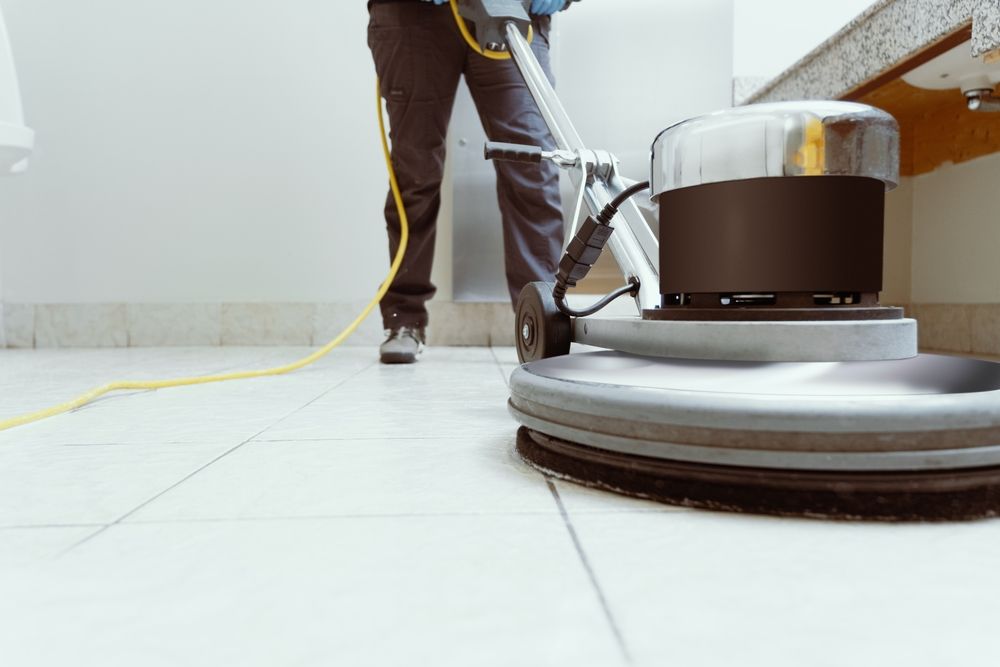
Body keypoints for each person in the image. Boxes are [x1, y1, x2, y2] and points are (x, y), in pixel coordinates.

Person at [368, 0, 568, 364]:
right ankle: (403, 318)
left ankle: (543, 322)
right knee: (414, 171)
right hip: (414, 17)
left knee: (531, 164)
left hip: (513, 8)